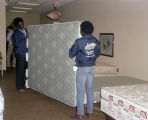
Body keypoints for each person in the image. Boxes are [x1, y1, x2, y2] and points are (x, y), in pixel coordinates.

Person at [69, 21, 100, 120]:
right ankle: (90, 113)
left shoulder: (79, 41)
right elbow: (98, 53)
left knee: (81, 91)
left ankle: (80, 114)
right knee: (90, 90)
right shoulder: (95, 40)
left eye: (80, 29)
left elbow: (71, 54)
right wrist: (91, 58)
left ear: (82, 30)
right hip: (92, 67)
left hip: (82, 68)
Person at [13, 17, 28, 92]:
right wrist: (26, 39)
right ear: (17, 25)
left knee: (28, 69)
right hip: (21, 53)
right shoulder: (16, 33)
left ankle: (28, 84)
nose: (22, 25)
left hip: (28, 53)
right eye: (20, 24)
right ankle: (20, 87)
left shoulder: (26, 30)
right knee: (21, 70)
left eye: (22, 23)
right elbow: (17, 44)